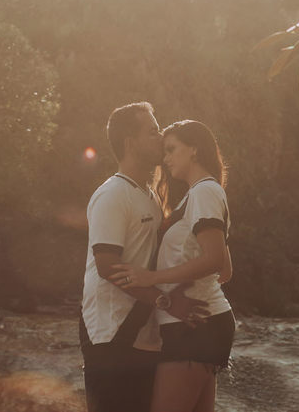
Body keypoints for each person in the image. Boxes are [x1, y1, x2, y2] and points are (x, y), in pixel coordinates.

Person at [81, 102, 208, 412]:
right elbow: (107, 266)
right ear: (130, 143)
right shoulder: (112, 194)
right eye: (152, 131)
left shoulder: (149, 195)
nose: (161, 136)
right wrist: (167, 302)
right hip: (111, 334)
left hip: (142, 333)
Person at [111, 120, 233, 412]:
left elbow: (215, 261)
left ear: (194, 149)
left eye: (171, 149)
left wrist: (151, 277)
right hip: (200, 323)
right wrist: (182, 287)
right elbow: (225, 269)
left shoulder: (204, 192)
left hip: (195, 327)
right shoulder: (199, 194)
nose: (165, 159)